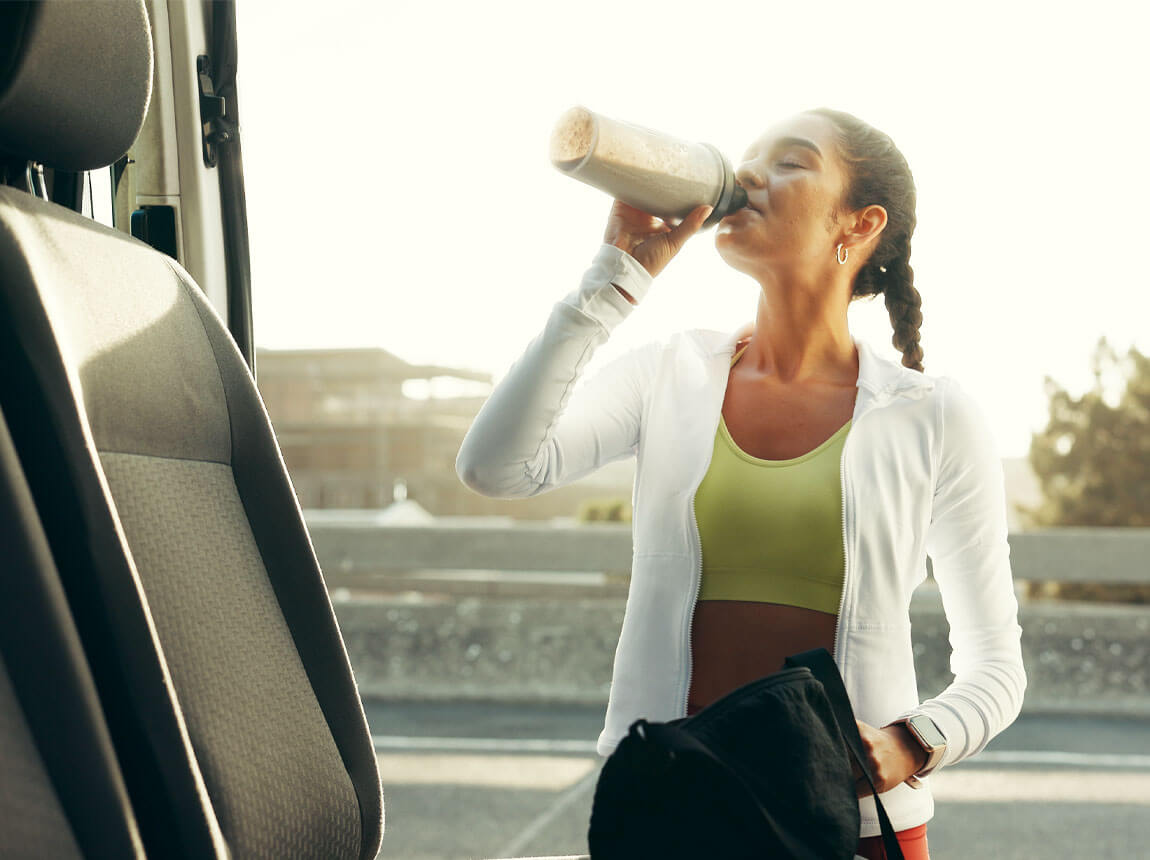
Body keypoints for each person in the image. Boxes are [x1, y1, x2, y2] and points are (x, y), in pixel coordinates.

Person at [456, 108, 1026, 859]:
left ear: (856, 225)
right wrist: (612, 281)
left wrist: (909, 744)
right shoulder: (670, 373)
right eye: (748, 157)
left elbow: (996, 668)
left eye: (790, 161)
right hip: (671, 804)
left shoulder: (932, 416)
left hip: (852, 828)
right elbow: (496, 466)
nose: (751, 173)